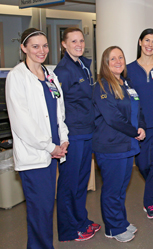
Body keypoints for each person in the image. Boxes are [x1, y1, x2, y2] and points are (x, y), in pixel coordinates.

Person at [6, 28, 69, 249]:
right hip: (35, 155)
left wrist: (63, 139)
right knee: (39, 210)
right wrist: (50, 146)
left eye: (44, 45)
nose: (41, 51)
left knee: (44, 209)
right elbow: (22, 123)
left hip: (52, 152)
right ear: (23, 48)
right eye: (35, 46)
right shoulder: (17, 76)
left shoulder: (50, 74)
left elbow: (59, 112)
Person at [93, 46, 146, 242]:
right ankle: (113, 228)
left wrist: (141, 126)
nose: (118, 61)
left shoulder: (126, 83)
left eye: (120, 57)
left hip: (127, 144)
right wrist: (134, 132)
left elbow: (137, 109)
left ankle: (120, 221)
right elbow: (113, 118)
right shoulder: (102, 86)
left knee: (121, 187)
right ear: (105, 63)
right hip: (111, 146)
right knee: (112, 189)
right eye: (112, 58)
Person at [54, 27, 100, 242]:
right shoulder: (62, 70)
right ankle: (69, 230)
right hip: (73, 135)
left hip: (87, 131)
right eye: (73, 41)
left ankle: (81, 220)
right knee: (68, 184)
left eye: (81, 40)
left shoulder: (84, 66)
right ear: (64, 44)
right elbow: (57, 107)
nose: (79, 44)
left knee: (81, 182)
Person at [126, 28, 153, 219]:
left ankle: (149, 202)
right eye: (147, 41)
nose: (150, 45)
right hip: (139, 125)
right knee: (142, 163)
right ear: (140, 42)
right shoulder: (129, 69)